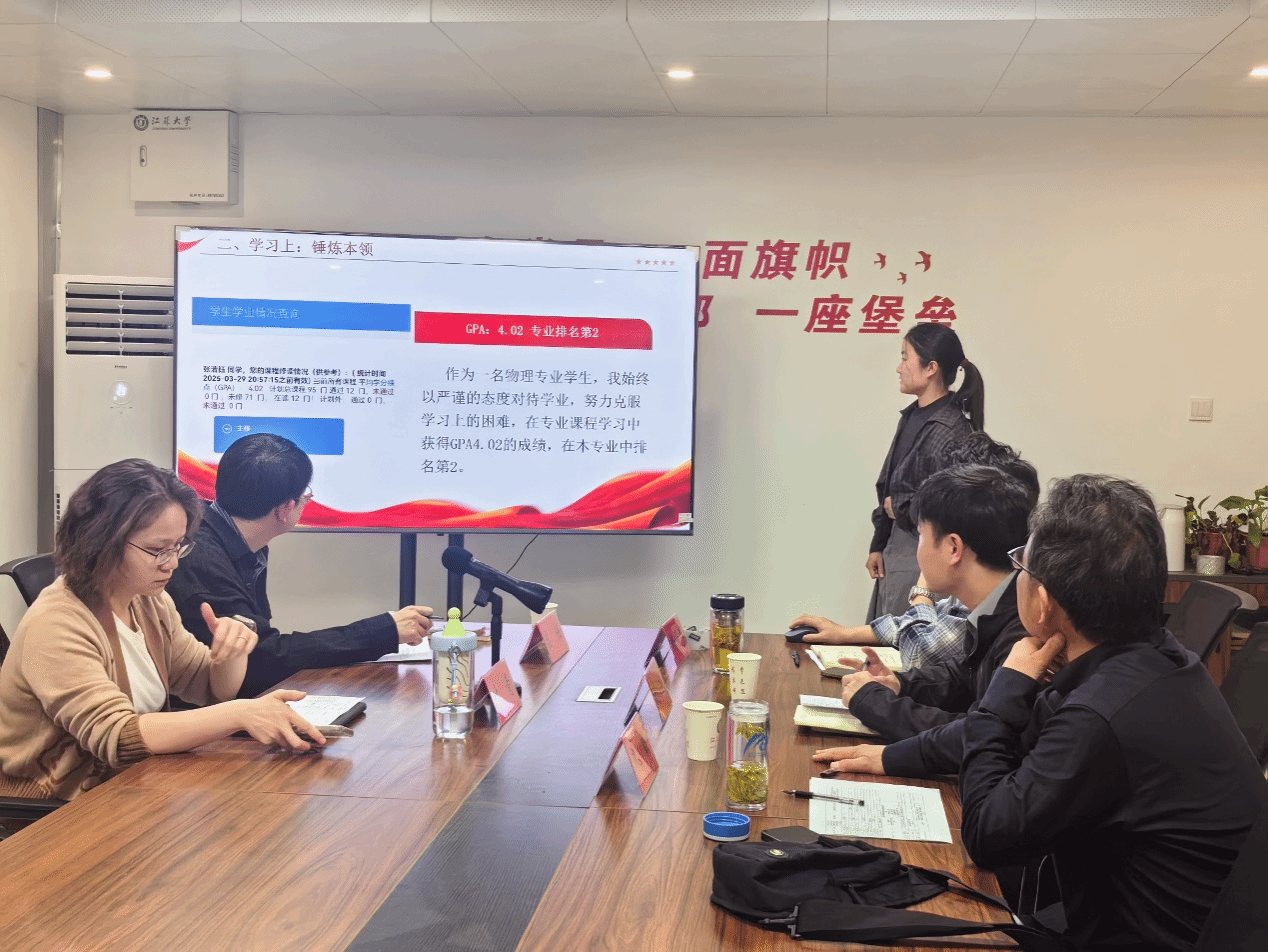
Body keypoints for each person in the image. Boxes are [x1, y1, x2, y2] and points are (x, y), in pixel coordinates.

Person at [959, 475, 1266, 950]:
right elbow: (1024, 739)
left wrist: (1005, 691)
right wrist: (890, 755)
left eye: (1022, 565)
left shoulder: (1101, 713)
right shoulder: (1157, 657)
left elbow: (985, 836)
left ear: (1044, 602)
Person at [0, 459, 326, 803]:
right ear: (102, 542)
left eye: (178, 546)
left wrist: (232, 650)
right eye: (157, 550)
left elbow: (208, 686)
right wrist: (242, 712)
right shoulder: (56, 623)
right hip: (56, 809)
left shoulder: (147, 601)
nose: (172, 563)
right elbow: (117, 737)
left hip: (133, 787)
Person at [167, 433, 433, 699]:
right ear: (285, 509)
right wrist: (382, 632)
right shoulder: (202, 560)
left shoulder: (236, 535)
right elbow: (262, 660)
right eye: (305, 496)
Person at [813, 463, 1033, 775]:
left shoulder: (1026, 627)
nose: (918, 552)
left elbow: (981, 733)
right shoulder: (996, 604)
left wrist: (877, 705)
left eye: (920, 536)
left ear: (953, 548)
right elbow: (964, 680)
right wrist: (900, 684)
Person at [794, 434, 1037, 669]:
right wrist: (844, 633)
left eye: (921, 535)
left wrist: (922, 591)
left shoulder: (1009, 618)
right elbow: (916, 627)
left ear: (954, 547)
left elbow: (923, 654)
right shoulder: (986, 594)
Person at [867, 323, 984, 621]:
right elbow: (889, 486)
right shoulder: (911, 417)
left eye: (905, 358)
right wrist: (879, 543)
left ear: (931, 368)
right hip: (896, 550)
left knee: (903, 641)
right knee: (884, 637)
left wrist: (901, 508)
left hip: (922, 556)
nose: (899, 368)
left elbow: (951, 509)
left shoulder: (951, 429)